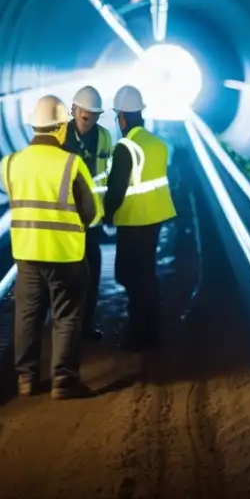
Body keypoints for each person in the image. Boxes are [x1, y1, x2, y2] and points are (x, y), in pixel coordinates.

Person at [0, 95, 96, 400]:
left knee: (27, 315)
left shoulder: (11, 163)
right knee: (66, 316)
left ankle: (26, 380)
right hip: (65, 255)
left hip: (26, 255)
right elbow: (90, 211)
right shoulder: (71, 162)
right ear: (59, 129)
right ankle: (63, 382)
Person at [101, 85, 177, 351]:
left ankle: (140, 335)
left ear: (122, 116)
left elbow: (117, 187)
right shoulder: (156, 143)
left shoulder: (126, 147)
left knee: (129, 275)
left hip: (133, 220)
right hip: (155, 218)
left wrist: (106, 215)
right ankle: (151, 331)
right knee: (145, 275)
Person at [62, 85, 114, 342]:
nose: (89, 120)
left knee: (91, 279)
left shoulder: (104, 137)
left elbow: (107, 175)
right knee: (65, 282)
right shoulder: (59, 137)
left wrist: (108, 211)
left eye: (94, 115)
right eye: (85, 115)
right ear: (74, 111)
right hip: (65, 223)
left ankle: (85, 327)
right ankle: (66, 331)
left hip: (92, 223)